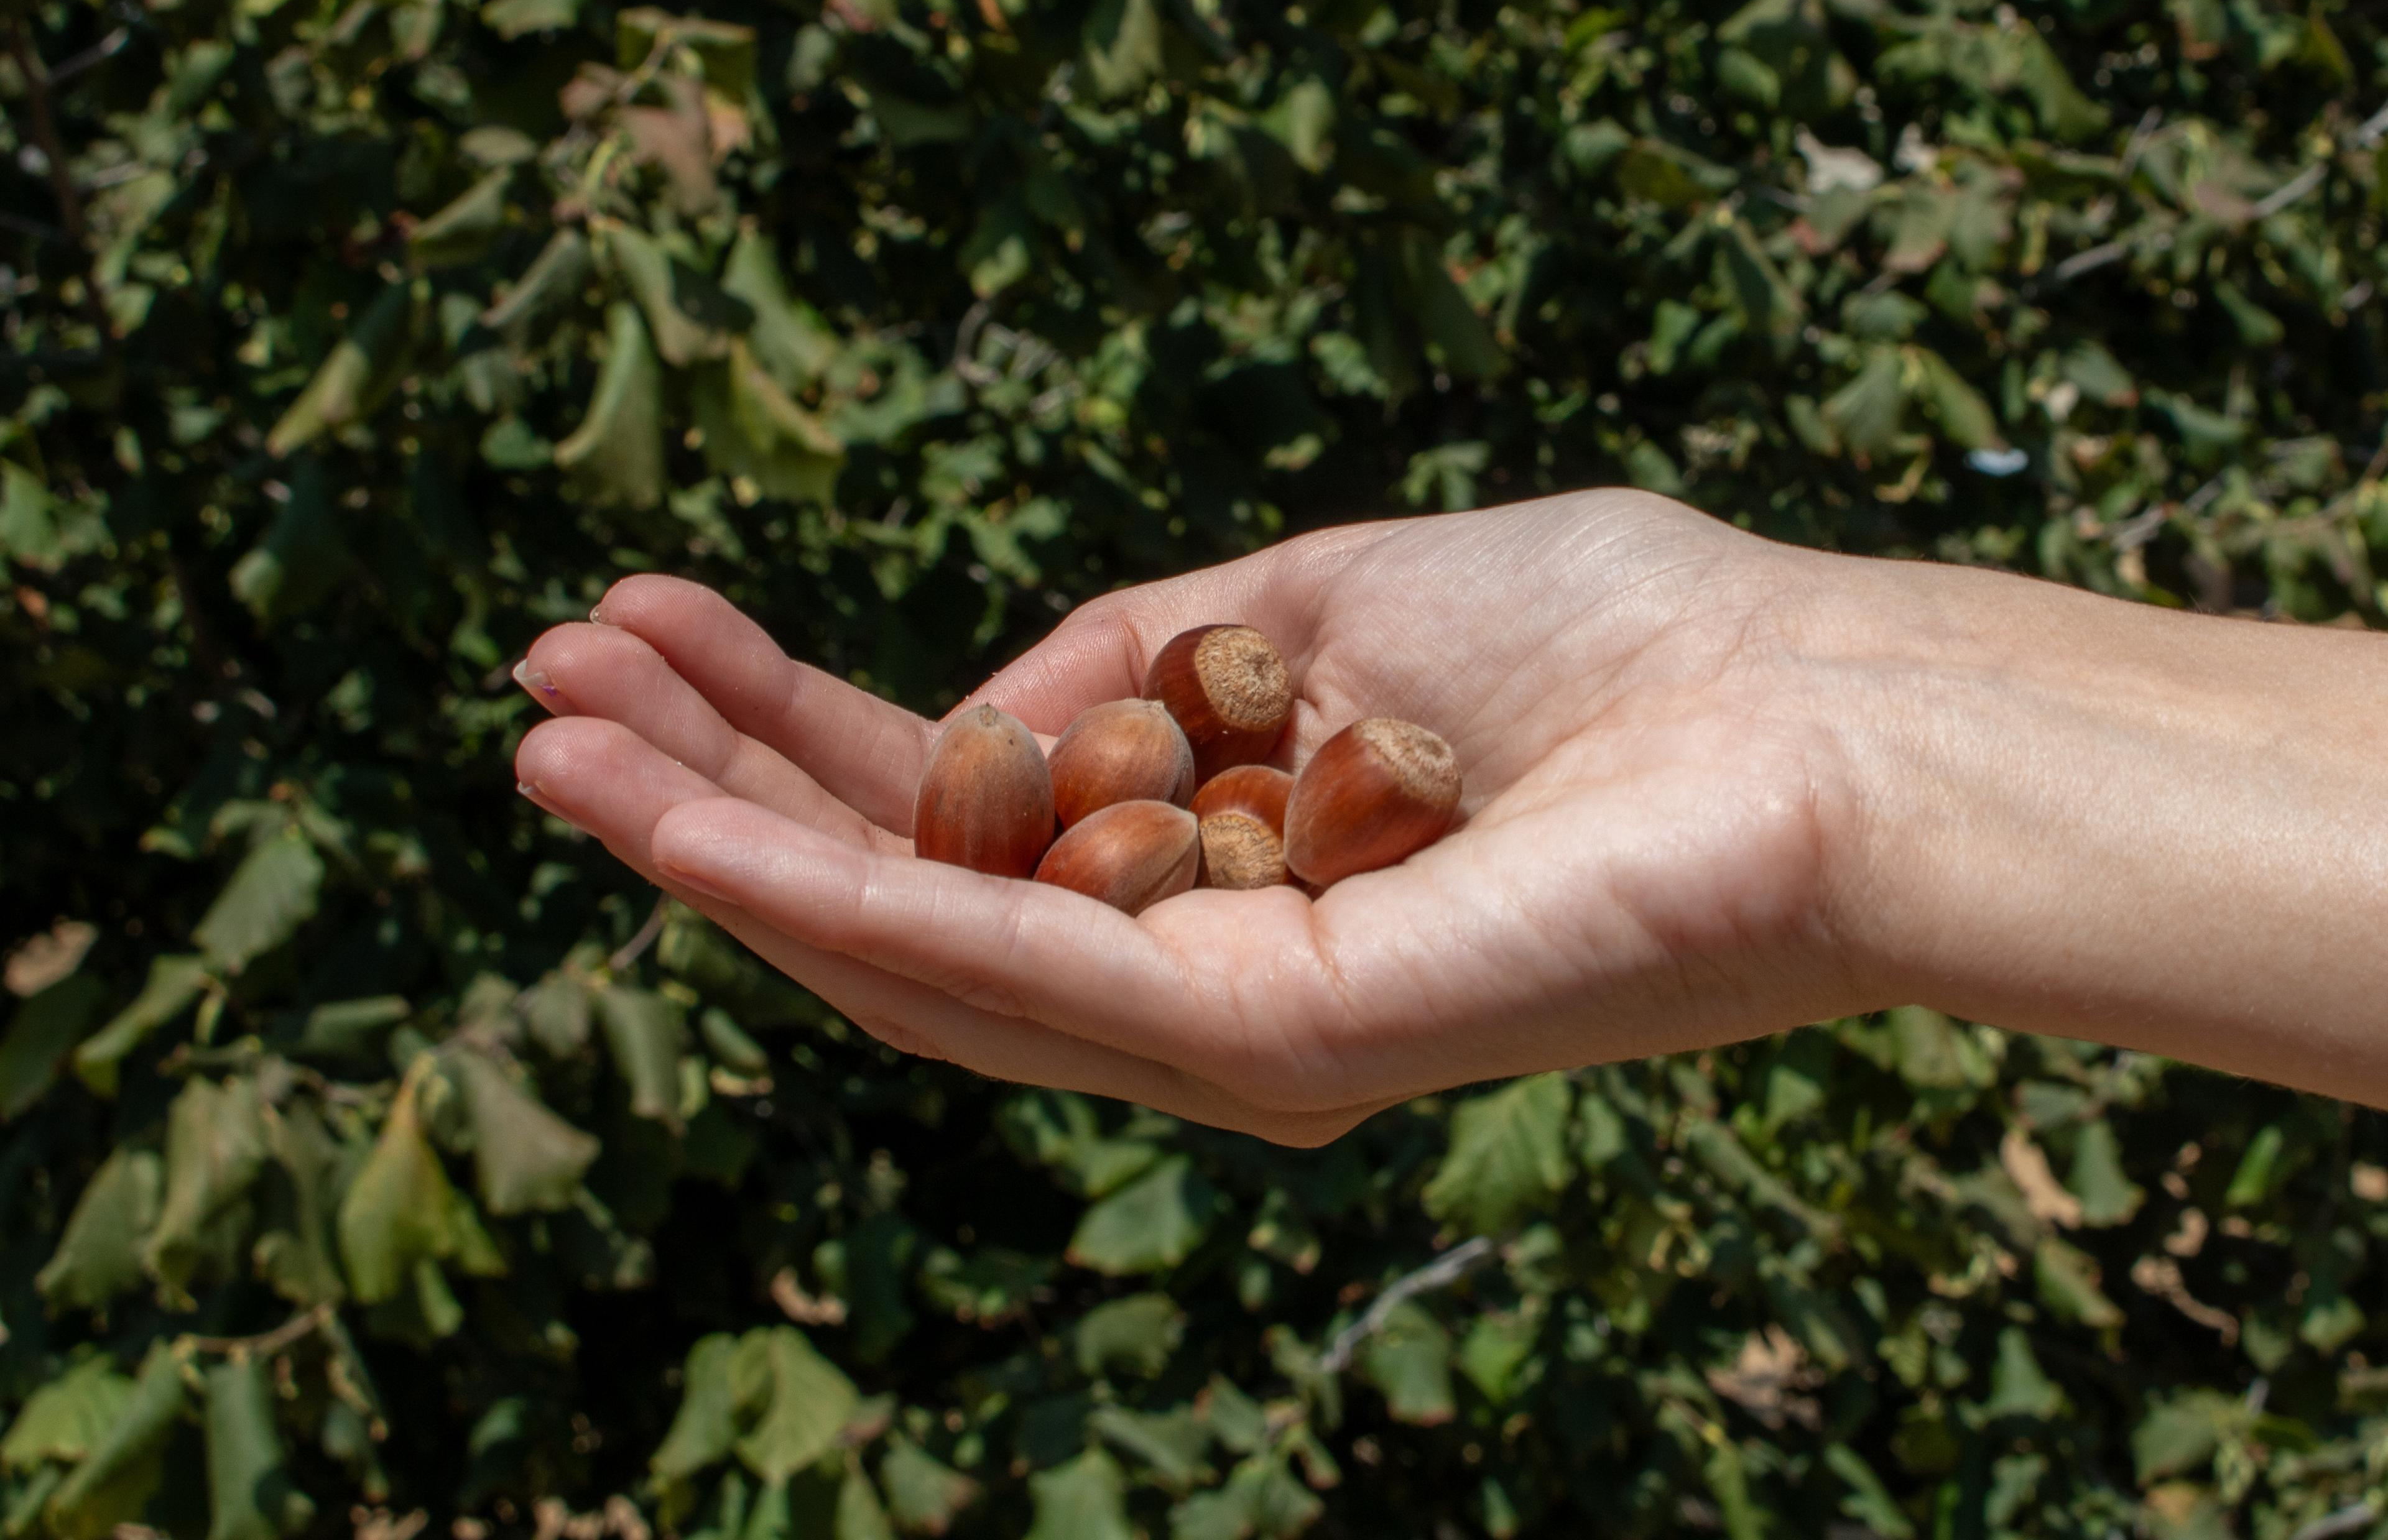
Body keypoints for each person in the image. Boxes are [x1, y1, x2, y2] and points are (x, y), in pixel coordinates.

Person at [510, 489, 2388, 1145]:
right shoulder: (1220, 776)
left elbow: (1189, 802)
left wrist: (1808, 716)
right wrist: (1823, 720)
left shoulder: (1232, 776)